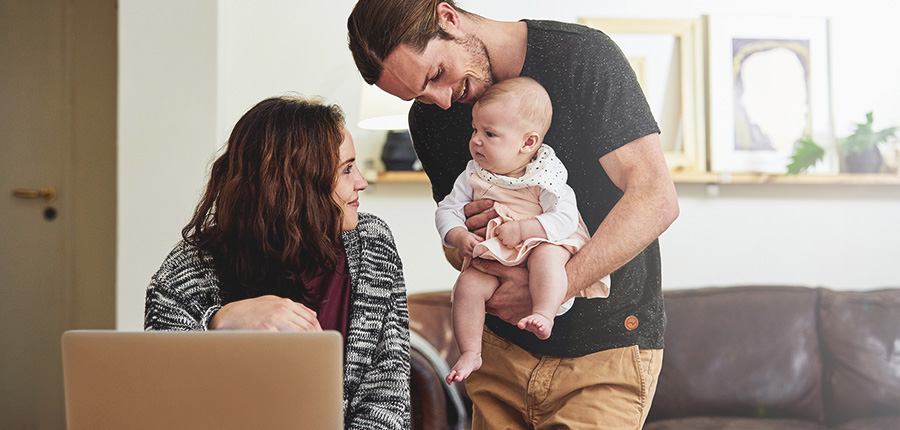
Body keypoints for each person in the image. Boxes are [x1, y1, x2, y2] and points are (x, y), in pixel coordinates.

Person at [348, 1, 679, 429]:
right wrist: (471, 241)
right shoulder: (431, 119)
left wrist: (555, 287)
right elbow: (456, 242)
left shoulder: (583, 58)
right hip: (499, 357)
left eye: (435, 75)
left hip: (604, 353)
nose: (442, 102)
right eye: (418, 95)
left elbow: (655, 198)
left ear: (448, 18)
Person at [143, 96, 411, 430]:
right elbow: (162, 392)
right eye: (346, 169)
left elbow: (388, 399)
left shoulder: (372, 245)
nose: (361, 181)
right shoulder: (191, 267)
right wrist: (219, 321)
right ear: (296, 184)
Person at [436, 77, 610, 385]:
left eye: (489, 133)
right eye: (475, 130)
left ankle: (543, 312)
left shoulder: (544, 174)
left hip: (541, 238)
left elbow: (566, 218)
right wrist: (458, 236)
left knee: (547, 256)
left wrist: (527, 229)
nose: (476, 140)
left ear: (527, 143)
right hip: (499, 251)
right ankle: (470, 352)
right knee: (467, 285)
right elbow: (447, 210)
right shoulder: (473, 174)